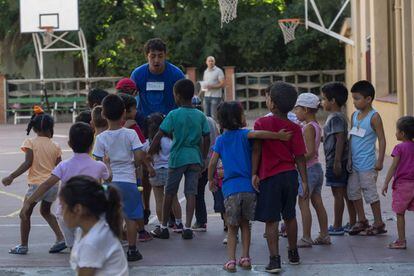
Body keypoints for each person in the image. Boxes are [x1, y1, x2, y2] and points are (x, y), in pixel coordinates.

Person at [208, 101, 292, 272]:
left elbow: (212, 162)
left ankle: (230, 261)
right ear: (237, 118)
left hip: (230, 190)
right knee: (246, 224)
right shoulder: (245, 135)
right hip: (249, 189)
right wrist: (279, 136)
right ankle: (245, 258)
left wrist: (211, 179)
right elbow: (260, 134)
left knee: (232, 228)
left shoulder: (221, 140)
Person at [20, 122, 111, 249]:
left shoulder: (63, 166)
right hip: (90, 214)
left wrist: (28, 202)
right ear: (92, 145)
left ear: (69, 144)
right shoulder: (99, 166)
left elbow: (46, 184)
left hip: (67, 215)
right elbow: (109, 178)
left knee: (75, 248)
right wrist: (107, 164)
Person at [252, 82, 308, 273]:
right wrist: (305, 181)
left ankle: (275, 260)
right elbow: (299, 157)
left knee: (271, 220)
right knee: (290, 216)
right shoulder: (295, 127)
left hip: (270, 177)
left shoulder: (261, 123)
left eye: (268, 97)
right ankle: (293, 254)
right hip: (290, 176)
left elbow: (257, 151)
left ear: (272, 104)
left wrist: (254, 173)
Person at [130, 38, 185, 222]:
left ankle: (170, 210)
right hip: (146, 125)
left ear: (165, 56)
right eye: (152, 56)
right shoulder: (138, 74)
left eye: (160, 56)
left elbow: (182, 102)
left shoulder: (175, 74)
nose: (156, 60)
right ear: (147, 56)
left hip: (169, 126)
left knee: (170, 168)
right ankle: (146, 208)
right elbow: (129, 99)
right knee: (147, 170)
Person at [148, 79, 210, 240]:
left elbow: (159, 135)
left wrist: (149, 152)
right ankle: (188, 227)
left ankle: (163, 227)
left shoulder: (173, 114)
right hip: (195, 157)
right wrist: (203, 157)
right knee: (191, 193)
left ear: (178, 96)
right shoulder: (200, 115)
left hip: (177, 158)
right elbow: (206, 137)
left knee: (169, 192)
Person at [1, 107, 65, 254]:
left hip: (36, 185)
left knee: (24, 214)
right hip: (53, 185)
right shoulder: (56, 145)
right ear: (50, 128)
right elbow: (60, 167)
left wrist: (11, 176)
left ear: (34, 128)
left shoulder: (30, 142)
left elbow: (27, 163)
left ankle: (23, 245)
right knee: (46, 211)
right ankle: (61, 238)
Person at [92, 94, 145, 261]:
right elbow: (139, 157)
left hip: (110, 182)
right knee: (130, 217)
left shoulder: (100, 138)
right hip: (128, 180)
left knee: (112, 218)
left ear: (103, 115)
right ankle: (132, 249)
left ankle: (112, 250)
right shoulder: (130, 134)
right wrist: (132, 164)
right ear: (123, 113)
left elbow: (98, 163)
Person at [60, 176, 128, 276]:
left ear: (78, 209)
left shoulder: (92, 242)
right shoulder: (86, 230)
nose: (61, 212)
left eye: (62, 206)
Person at [347, 80, 386, 236]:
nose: (354, 102)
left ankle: (379, 223)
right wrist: (348, 158)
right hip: (354, 164)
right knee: (353, 192)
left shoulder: (374, 117)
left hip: (368, 164)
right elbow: (352, 137)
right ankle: (362, 220)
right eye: (353, 98)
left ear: (368, 99)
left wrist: (380, 160)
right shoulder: (354, 115)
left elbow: (382, 139)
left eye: (357, 98)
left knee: (370, 193)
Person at [293, 93, 330, 247]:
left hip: (307, 170)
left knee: (303, 203)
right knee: (317, 202)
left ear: (306, 110)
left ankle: (306, 237)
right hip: (316, 169)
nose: (295, 113)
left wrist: (293, 159)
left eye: (298, 109)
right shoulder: (315, 125)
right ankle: (324, 235)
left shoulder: (308, 128)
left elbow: (309, 152)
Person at [320, 82, 356, 235]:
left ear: (332, 101)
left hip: (336, 162)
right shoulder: (339, 116)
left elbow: (340, 139)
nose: (322, 102)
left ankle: (337, 226)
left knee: (338, 194)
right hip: (339, 160)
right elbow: (333, 137)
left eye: (324, 99)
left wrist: (336, 162)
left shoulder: (334, 118)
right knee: (345, 193)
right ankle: (353, 222)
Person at [118, 93, 152, 242]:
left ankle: (120, 232)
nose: (136, 112)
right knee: (135, 204)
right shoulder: (133, 127)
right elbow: (142, 150)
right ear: (126, 111)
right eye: (134, 109)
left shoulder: (108, 129)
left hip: (113, 175)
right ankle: (141, 231)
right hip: (132, 172)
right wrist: (148, 166)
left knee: (117, 206)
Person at [143, 113, 183, 237]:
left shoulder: (147, 143)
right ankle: (179, 223)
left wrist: (149, 168)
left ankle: (162, 226)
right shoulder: (170, 140)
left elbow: (144, 158)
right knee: (174, 198)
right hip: (170, 170)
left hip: (155, 172)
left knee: (159, 199)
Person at [382, 116, 414, 249]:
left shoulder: (399, 148)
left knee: (400, 214)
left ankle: (401, 241)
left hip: (402, 186)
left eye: (397, 130)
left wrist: (386, 183)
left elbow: (393, 166)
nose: (395, 133)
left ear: (402, 133)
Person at [191, 96, 220, 232]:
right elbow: (218, 136)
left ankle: (201, 221)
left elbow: (201, 141)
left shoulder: (196, 121)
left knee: (198, 192)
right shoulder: (211, 120)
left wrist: (201, 160)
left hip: (202, 161)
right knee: (217, 191)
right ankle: (226, 221)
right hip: (215, 159)